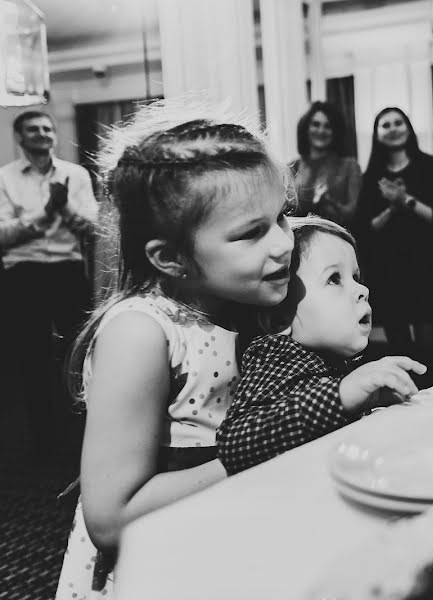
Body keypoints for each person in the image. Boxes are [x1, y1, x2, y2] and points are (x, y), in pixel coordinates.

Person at [54, 101, 296, 599]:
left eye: (283, 218)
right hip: (159, 570)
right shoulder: (142, 333)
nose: (283, 244)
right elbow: (112, 515)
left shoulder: (241, 306)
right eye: (251, 233)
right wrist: (262, 449)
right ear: (171, 257)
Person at [217, 217, 427, 474]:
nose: (362, 289)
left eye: (356, 276)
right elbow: (235, 444)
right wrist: (340, 395)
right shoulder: (277, 355)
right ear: (280, 319)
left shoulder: (331, 359)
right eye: (334, 279)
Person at [0, 110, 98, 463]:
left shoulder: (76, 175)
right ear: (20, 136)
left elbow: (93, 227)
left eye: (47, 128)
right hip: (23, 274)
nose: (42, 133)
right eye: (33, 129)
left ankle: (87, 436)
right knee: (32, 359)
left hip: (69, 273)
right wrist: (44, 213)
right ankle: (43, 442)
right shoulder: (4, 178)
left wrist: (65, 207)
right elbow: (2, 236)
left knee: (83, 354)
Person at [353, 107, 433, 385]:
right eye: (385, 125)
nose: (393, 128)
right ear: (377, 133)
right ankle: (407, 393)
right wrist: (393, 207)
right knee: (399, 343)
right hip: (389, 268)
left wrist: (405, 199)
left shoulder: (431, 167)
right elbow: (365, 228)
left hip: (427, 264)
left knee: (432, 341)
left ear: (408, 127)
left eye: (398, 122)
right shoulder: (371, 177)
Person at [289, 101, 362, 227]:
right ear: (306, 128)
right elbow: (287, 213)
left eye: (328, 126)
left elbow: (354, 214)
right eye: (315, 124)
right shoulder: (292, 167)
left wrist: (328, 202)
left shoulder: (350, 166)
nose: (321, 131)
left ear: (336, 132)